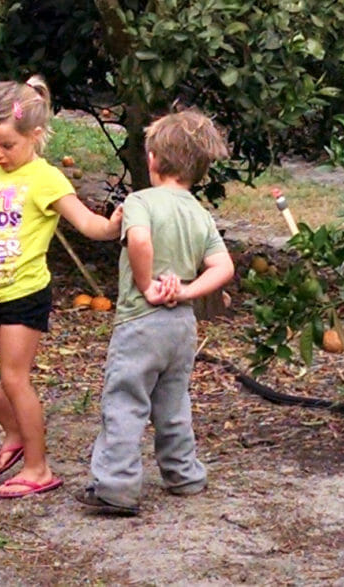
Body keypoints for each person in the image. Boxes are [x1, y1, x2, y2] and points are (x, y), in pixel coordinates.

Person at [0, 76, 121, 499]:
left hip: (24, 296)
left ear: (35, 136)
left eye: (7, 145)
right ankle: (13, 426)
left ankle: (39, 468)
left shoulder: (45, 179)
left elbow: (86, 223)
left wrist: (114, 224)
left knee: (14, 376)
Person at [78, 109, 234, 515]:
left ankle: (117, 485)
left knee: (126, 401)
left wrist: (148, 285)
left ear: (153, 160)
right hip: (181, 327)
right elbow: (223, 267)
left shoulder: (140, 201)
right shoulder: (199, 213)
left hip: (140, 322)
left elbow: (140, 243)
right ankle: (184, 475)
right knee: (173, 402)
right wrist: (184, 291)